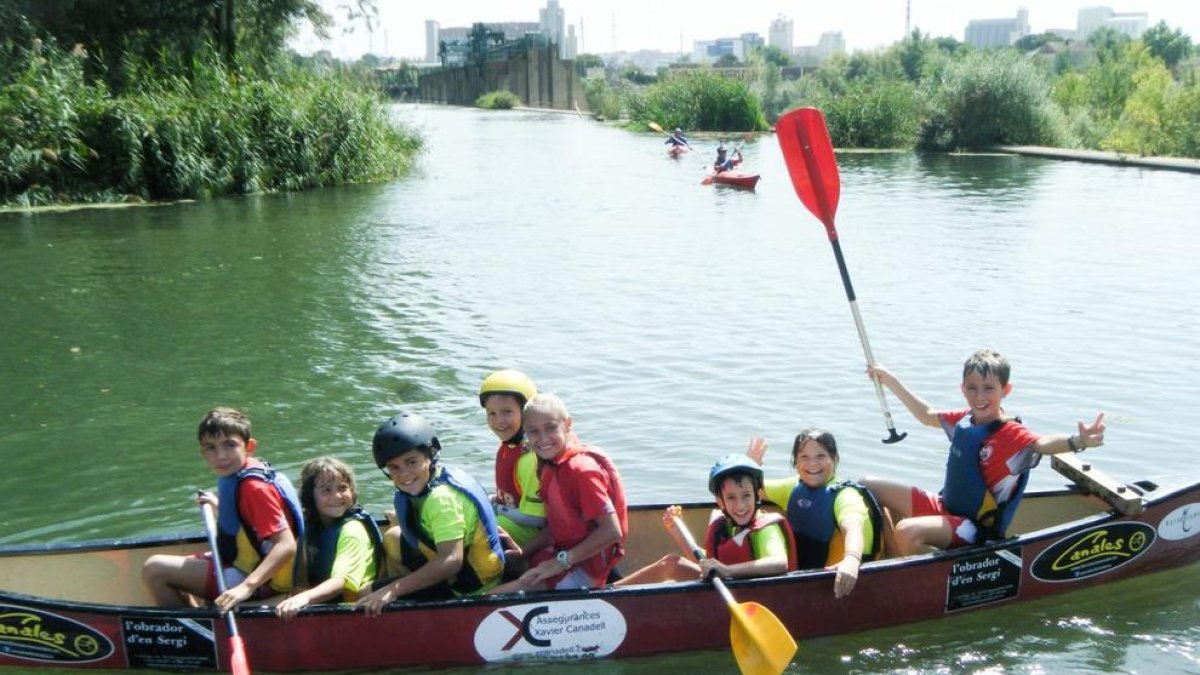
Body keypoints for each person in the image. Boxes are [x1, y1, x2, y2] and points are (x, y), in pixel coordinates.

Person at [861, 348, 1106, 556]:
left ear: (1005, 390)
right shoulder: (966, 419)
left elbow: (1042, 444)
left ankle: (909, 581)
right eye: (972, 388)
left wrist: (1078, 440)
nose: (979, 396)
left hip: (974, 528)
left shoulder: (1011, 433)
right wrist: (889, 379)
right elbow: (926, 415)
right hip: (945, 507)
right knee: (867, 486)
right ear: (962, 388)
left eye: (989, 388)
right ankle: (893, 558)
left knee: (907, 530)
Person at [141, 407, 303, 611]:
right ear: (203, 452)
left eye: (230, 445)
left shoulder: (255, 489)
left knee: (155, 570)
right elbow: (247, 522)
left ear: (249, 446)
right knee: (168, 568)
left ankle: (194, 627)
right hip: (243, 565)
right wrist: (219, 506)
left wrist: (246, 587)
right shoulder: (242, 475)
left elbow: (286, 545)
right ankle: (200, 619)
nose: (221, 456)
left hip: (261, 580)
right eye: (211, 447)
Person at [356, 411, 505, 616]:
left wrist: (392, 590)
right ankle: (410, 595)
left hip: (468, 586)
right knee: (392, 537)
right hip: (455, 566)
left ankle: (408, 609)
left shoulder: (441, 500)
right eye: (394, 468)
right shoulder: (434, 479)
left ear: (430, 454)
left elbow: (451, 561)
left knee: (364, 593)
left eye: (412, 462)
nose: (404, 474)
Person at [489, 393, 628, 593]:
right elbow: (558, 525)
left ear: (568, 424)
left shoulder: (581, 470)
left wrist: (560, 563)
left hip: (585, 569)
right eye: (533, 431)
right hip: (562, 554)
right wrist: (524, 552)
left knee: (492, 597)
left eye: (551, 427)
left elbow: (612, 531)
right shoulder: (550, 464)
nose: (543, 438)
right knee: (506, 565)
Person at [614, 455, 795, 586]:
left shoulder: (766, 529)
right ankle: (613, 591)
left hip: (753, 594)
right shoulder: (728, 525)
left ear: (757, 496)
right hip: (727, 585)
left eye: (746, 496)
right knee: (671, 564)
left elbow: (779, 562)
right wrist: (676, 531)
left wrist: (728, 570)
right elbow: (706, 563)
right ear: (720, 502)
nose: (740, 505)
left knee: (671, 566)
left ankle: (608, 595)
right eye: (731, 498)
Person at [748, 429, 882, 599]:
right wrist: (750, 467)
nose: (812, 464)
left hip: (837, 583)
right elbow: (753, 490)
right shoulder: (793, 487)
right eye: (804, 457)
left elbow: (853, 527)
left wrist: (852, 559)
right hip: (800, 578)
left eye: (821, 456)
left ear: (835, 459)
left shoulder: (845, 495)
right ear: (795, 463)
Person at [275, 457, 383, 620]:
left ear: (352, 492)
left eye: (343, 488)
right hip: (323, 599)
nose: (337, 496)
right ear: (310, 497)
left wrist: (304, 598)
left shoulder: (352, 530)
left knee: (286, 600)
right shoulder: (309, 525)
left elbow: (340, 583)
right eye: (326, 490)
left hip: (348, 609)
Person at [478, 369, 545, 563]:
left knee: (477, 533)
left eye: (507, 412)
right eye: (491, 413)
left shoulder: (529, 459)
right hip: (512, 519)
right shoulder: (509, 448)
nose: (498, 421)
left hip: (529, 530)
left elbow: (538, 519)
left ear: (526, 413)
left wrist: (498, 510)